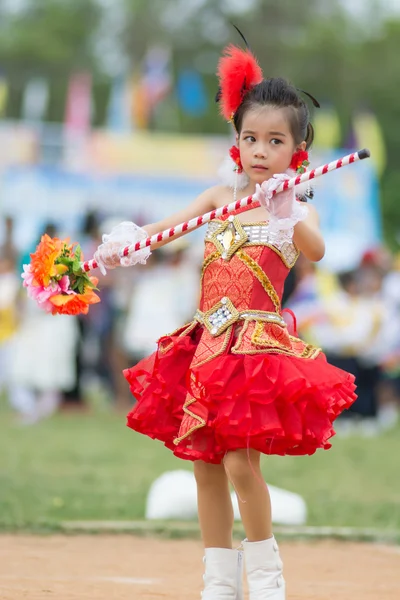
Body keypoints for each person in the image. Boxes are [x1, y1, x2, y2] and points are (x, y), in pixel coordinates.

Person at [94, 42, 357, 600]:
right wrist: (124, 247)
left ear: (298, 148)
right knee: (204, 464)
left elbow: (317, 250)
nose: (261, 151)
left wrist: (287, 212)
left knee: (240, 462)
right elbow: (161, 231)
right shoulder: (220, 195)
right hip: (205, 343)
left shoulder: (293, 204)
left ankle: (265, 579)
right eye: (250, 138)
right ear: (237, 140)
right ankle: (218, 580)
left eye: (275, 141)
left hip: (254, 351)